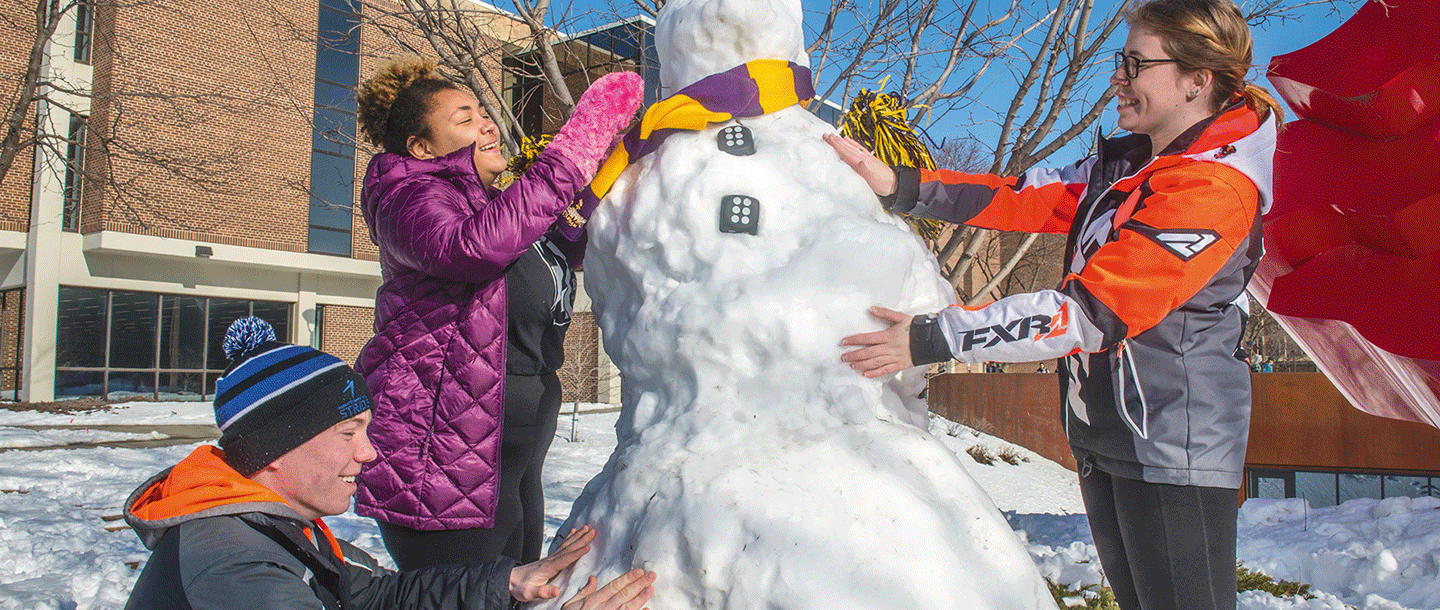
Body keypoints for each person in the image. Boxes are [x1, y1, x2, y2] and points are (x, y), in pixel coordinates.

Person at [825, 1, 1280, 608]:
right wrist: (898, 185)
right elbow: (1023, 196)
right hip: (1109, 434)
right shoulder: (1133, 165)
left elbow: (1089, 313)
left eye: (1135, 63)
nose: (1117, 77)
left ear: (1198, 80)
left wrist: (931, 338)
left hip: (1176, 447)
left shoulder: (1211, 188)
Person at [123, 318, 656, 610]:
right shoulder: (235, 565)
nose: (368, 452)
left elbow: (377, 595)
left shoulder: (273, 528)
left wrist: (508, 582)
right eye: (348, 433)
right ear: (276, 451)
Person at [350, 56, 643, 570]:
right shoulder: (409, 196)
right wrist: (574, 148)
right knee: (464, 599)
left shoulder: (493, 205)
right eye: (464, 119)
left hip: (509, 459)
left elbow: (549, 250)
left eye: (483, 111)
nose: (487, 122)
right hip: (444, 468)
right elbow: (471, 249)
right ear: (421, 148)